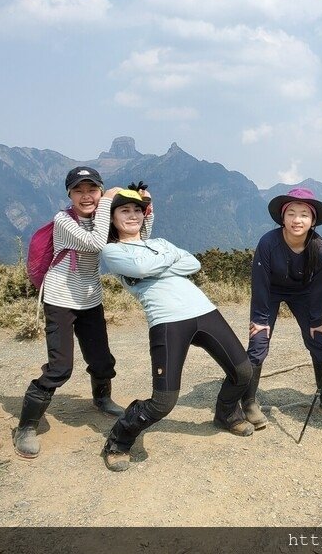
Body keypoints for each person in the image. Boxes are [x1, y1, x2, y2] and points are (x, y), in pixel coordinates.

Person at [99, 188, 254, 472]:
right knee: (163, 402)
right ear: (111, 218)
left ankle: (226, 412)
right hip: (167, 321)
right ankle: (119, 440)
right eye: (124, 211)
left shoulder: (157, 241)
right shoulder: (113, 251)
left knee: (243, 370)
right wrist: (169, 260)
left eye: (137, 210)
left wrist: (151, 265)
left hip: (204, 311)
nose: (132, 215)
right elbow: (152, 266)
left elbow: (192, 263)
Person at [13, 168, 153, 459]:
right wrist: (106, 204)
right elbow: (95, 243)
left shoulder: (103, 218)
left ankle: (101, 399)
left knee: (102, 360)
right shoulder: (64, 220)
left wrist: (146, 209)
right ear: (69, 195)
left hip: (90, 298)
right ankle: (26, 426)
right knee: (60, 367)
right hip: (60, 298)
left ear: (99, 190)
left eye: (93, 190)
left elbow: (136, 238)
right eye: (79, 191)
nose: (86, 196)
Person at [242, 187, 322, 429]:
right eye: (291, 213)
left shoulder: (319, 249)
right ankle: (248, 402)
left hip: (303, 293)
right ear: (282, 217)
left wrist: (316, 320)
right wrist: (260, 319)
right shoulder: (268, 243)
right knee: (258, 342)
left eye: (303, 214)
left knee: (319, 342)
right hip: (270, 292)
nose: (296, 220)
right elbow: (259, 282)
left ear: (313, 221)